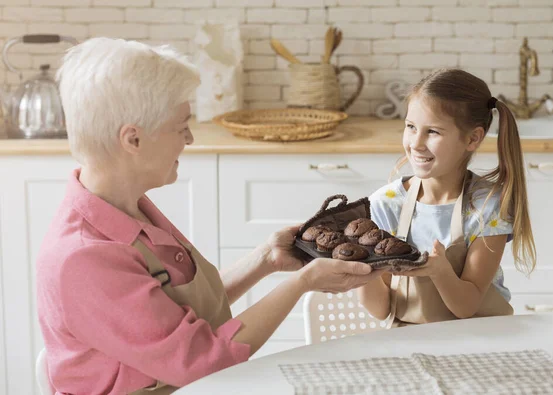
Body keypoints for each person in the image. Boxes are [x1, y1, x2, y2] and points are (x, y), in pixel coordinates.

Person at [36, 37, 383, 395]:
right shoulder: (86, 258)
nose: (189, 138)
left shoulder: (129, 208)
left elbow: (178, 321)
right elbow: (204, 359)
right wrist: (302, 283)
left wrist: (266, 260)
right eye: (180, 125)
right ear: (133, 140)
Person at [358, 68, 536, 325]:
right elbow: (382, 309)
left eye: (433, 132)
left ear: (473, 138)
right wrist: (362, 270)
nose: (416, 143)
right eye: (410, 127)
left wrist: (440, 271)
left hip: (483, 337)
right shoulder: (385, 205)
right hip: (409, 340)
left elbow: (467, 307)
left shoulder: (488, 207)